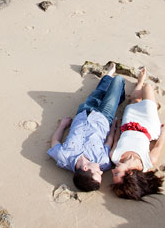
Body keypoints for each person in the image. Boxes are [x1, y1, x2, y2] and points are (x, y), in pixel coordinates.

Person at [49, 63, 125, 192]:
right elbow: (109, 141)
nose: (101, 173)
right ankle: (119, 95)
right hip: (105, 118)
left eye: (97, 174)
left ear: (85, 169)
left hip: (84, 114)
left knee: (98, 93)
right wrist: (113, 127)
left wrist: (62, 126)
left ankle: (108, 75)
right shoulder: (103, 162)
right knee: (118, 81)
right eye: (101, 175)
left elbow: (54, 142)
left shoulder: (64, 157)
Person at [109, 68, 165, 200]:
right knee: (148, 87)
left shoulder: (114, 156)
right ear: (129, 173)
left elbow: (117, 139)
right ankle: (145, 88)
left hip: (128, 123)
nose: (113, 170)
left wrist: (117, 127)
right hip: (148, 125)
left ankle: (140, 81)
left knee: (134, 100)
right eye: (117, 173)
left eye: (113, 173)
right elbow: (158, 146)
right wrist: (163, 132)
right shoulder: (148, 162)